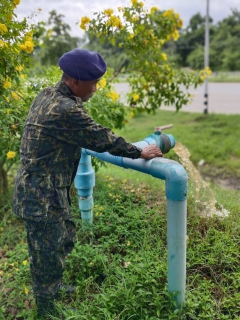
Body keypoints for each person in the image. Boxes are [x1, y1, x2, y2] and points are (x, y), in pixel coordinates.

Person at [12, 48, 163, 318]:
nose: (95, 88)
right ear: (75, 82)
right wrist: (139, 151)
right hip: (41, 193)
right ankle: (47, 309)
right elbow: (100, 137)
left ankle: (53, 288)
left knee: (61, 239)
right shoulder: (65, 109)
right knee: (46, 251)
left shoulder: (49, 93)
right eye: (93, 83)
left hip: (43, 187)